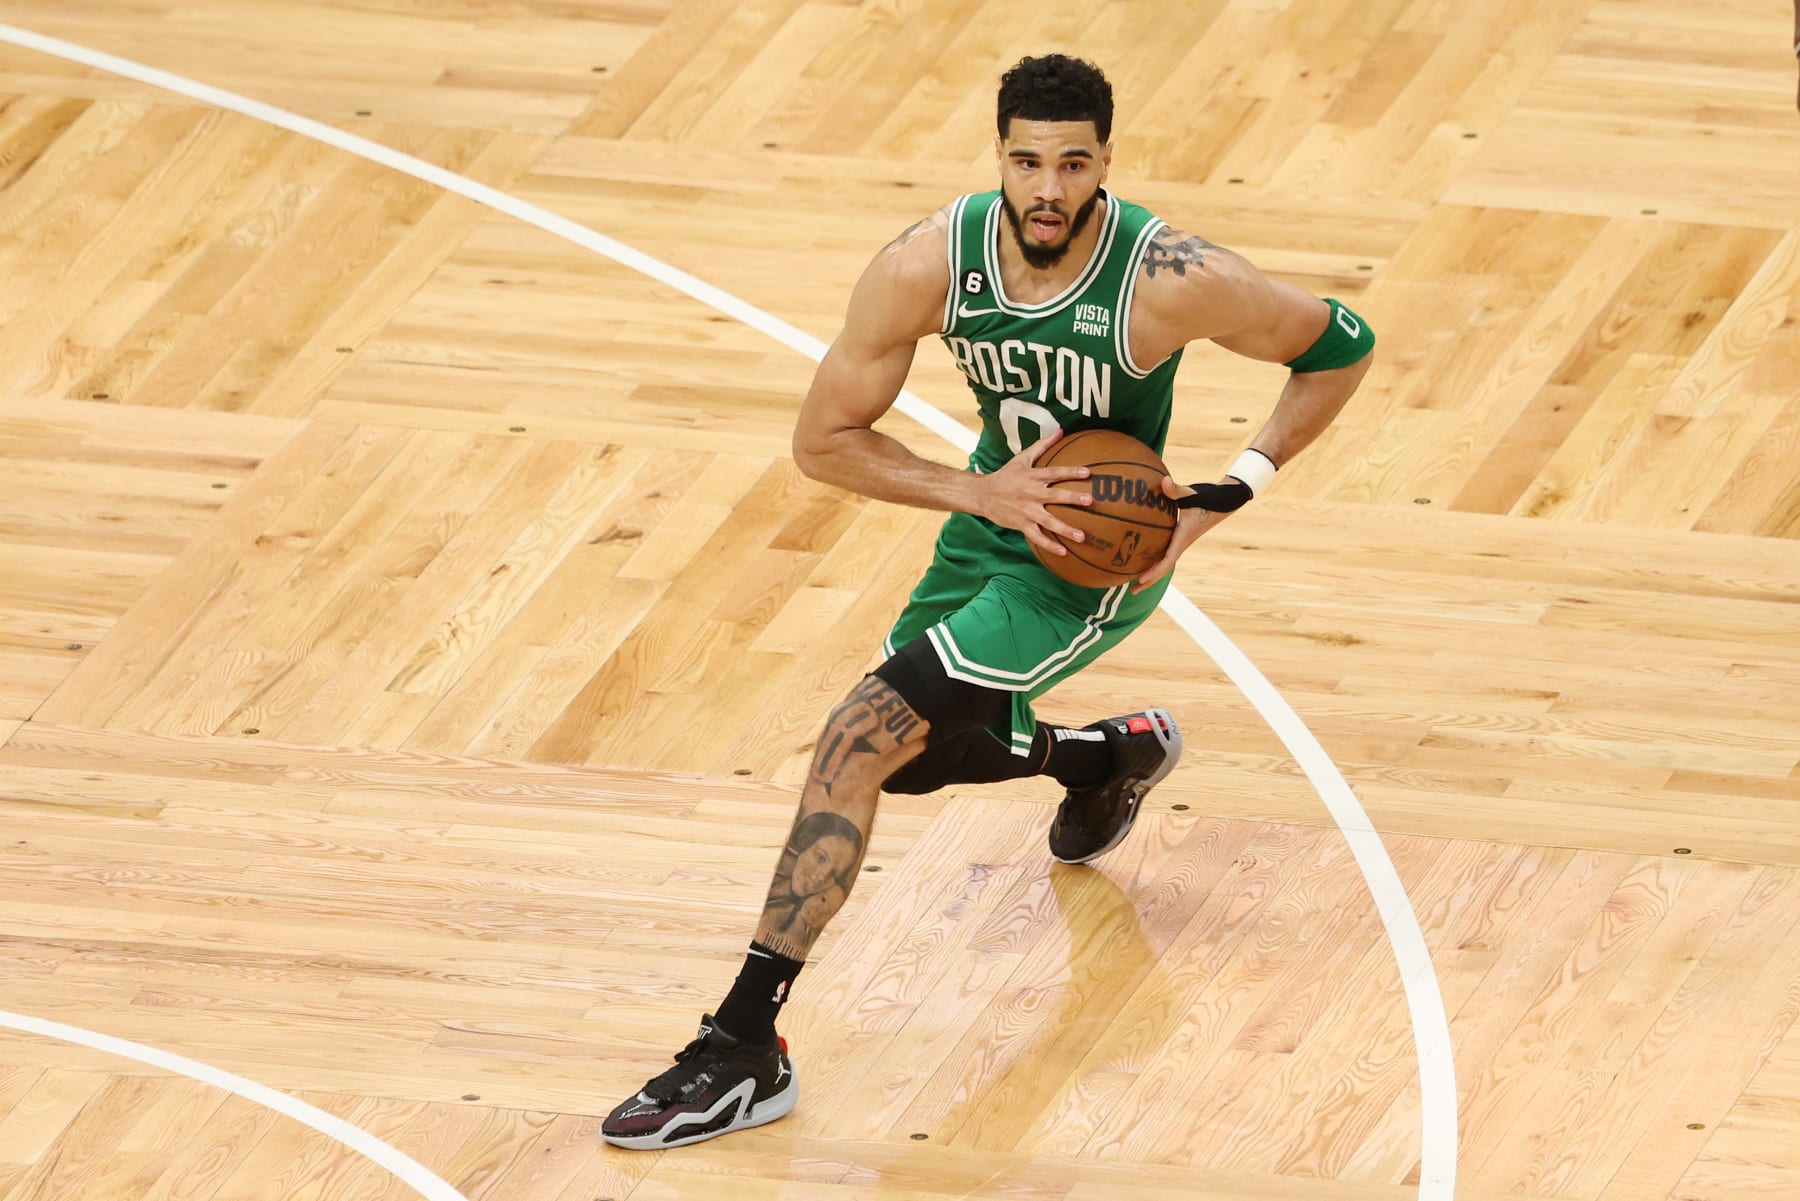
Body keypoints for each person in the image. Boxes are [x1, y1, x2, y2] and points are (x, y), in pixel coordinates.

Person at [600, 53, 1375, 1150]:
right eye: (1025, 161)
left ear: (1107, 161)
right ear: (998, 159)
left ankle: (742, 1044)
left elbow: (1341, 348)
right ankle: (1106, 759)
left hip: (1081, 568)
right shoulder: (930, 263)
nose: (1047, 187)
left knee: (856, 737)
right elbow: (822, 442)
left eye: (1072, 163)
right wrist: (975, 492)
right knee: (915, 760)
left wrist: (1220, 498)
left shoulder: (1169, 278)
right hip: (989, 528)